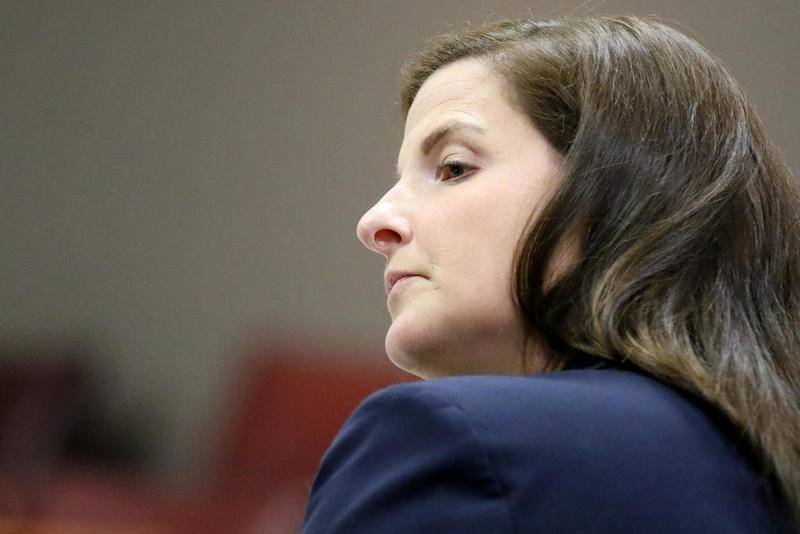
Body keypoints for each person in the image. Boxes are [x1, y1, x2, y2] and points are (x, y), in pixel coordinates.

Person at [303, 16, 799, 533]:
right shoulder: (765, 468)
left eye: (453, 167)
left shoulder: (452, 443)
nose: (374, 222)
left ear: (615, 195)